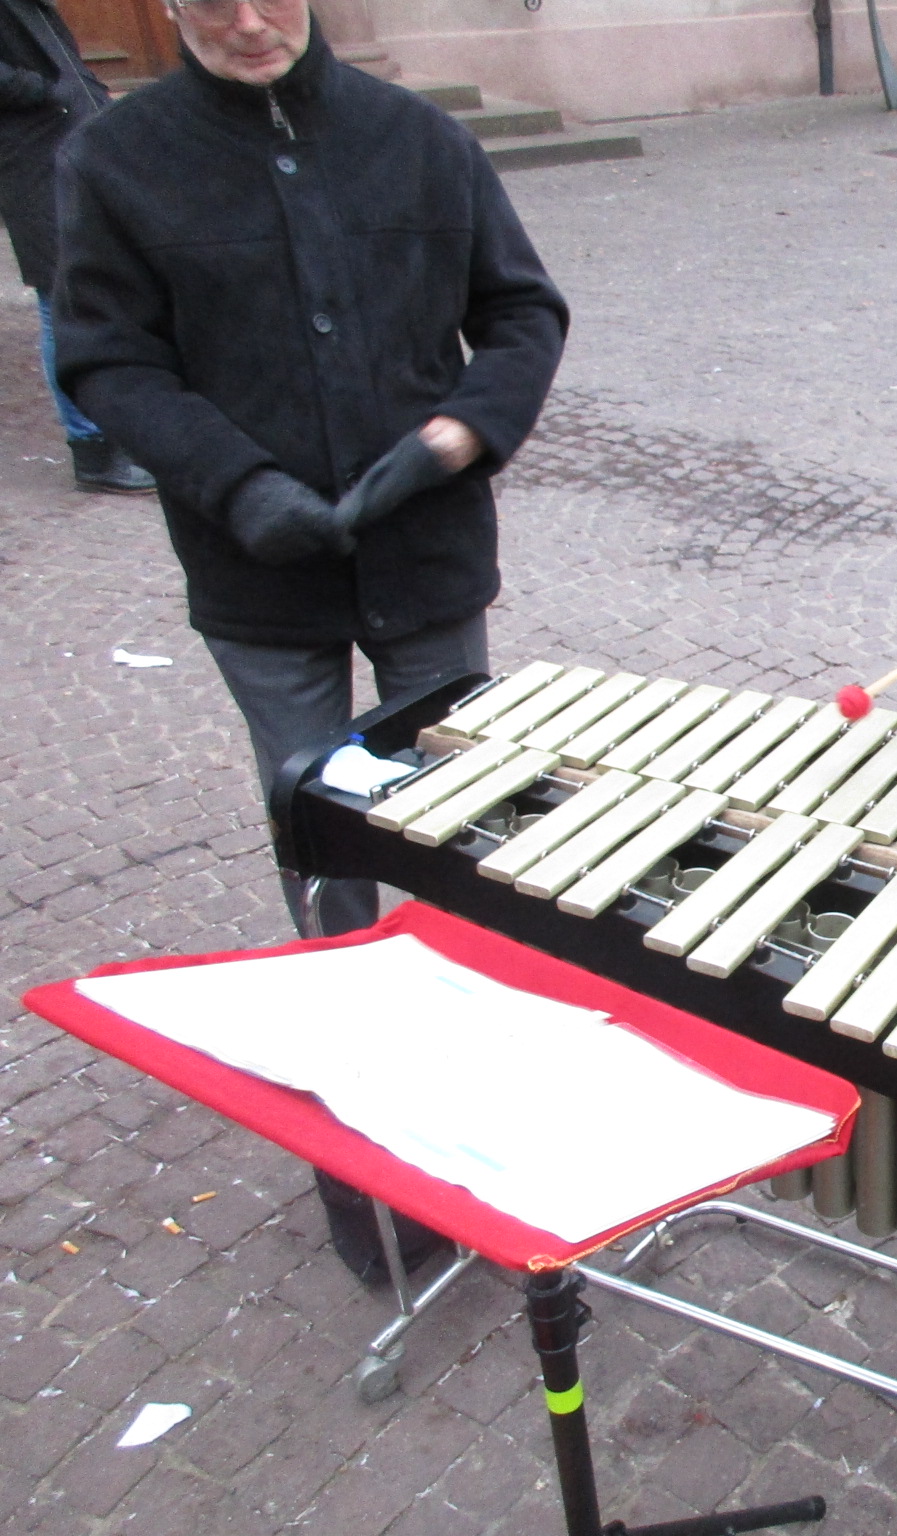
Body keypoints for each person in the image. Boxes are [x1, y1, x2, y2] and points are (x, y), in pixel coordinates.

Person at [54, 0, 568, 1280]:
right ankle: (369, 1160)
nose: (246, 20)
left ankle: (490, 1129)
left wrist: (451, 440)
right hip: (256, 572)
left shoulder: (420, 140)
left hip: (426, 550)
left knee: (459, 838)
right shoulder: (116, 158)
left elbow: (520, 318)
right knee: (323, 847)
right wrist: (234, 483)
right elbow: (108, 361)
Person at [0, 0, 153, 493]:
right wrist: (44, 93)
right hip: (31, 153)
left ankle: (120, 425)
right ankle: (93, 448)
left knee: (99, 281)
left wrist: (83, 94)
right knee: (61, 292)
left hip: (70, 136)